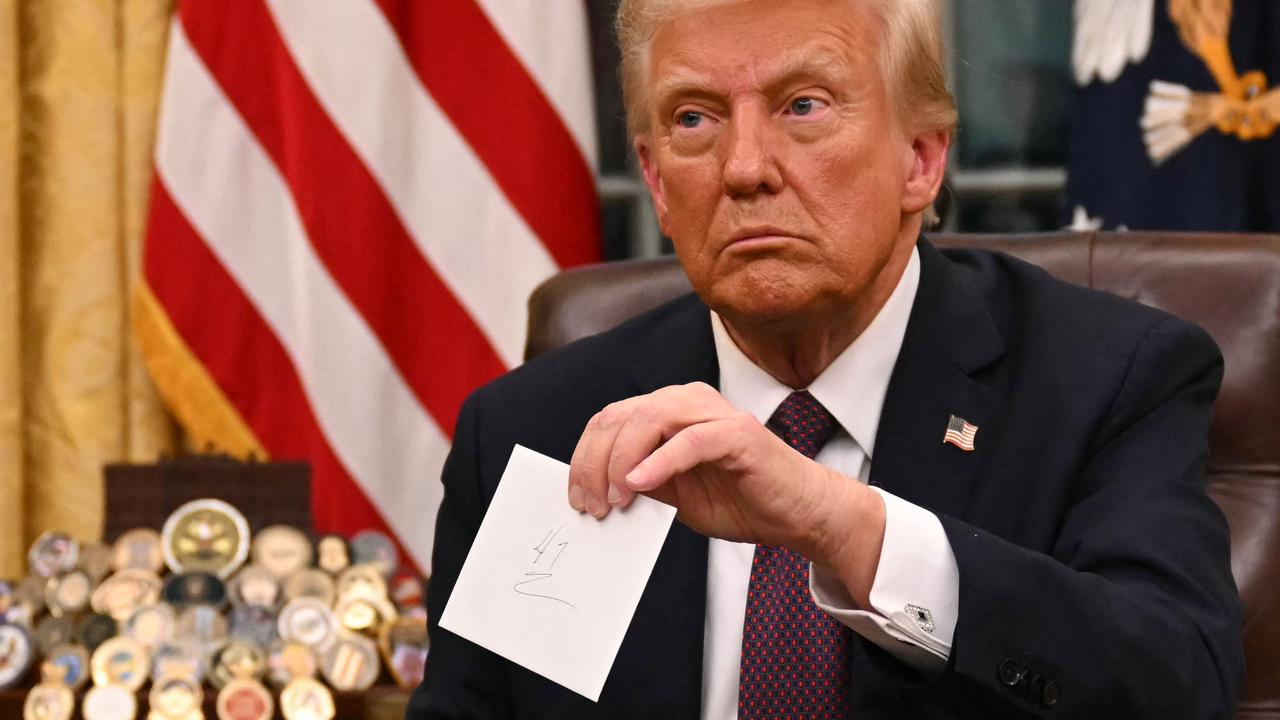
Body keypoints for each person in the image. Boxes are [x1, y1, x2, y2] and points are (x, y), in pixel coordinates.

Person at [409, 0, 1244, 717]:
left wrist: (838, 525)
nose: (743, 169)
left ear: (921, 158)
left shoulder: (1104, 379)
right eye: (693, 118)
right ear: (657, 183)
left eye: (803, 105)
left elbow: (1177, 687)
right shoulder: (542, 428)